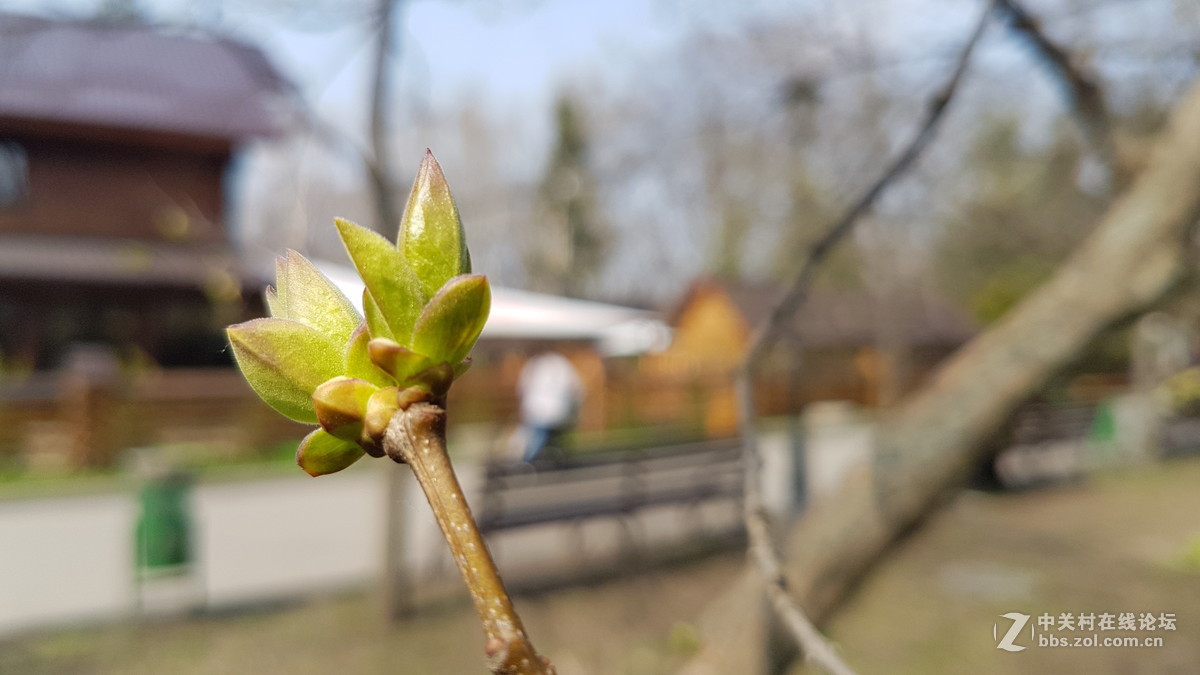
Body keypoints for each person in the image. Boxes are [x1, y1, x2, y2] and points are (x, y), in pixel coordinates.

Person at [517, 350, 583, 463]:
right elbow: (576, 387)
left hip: (537, 410)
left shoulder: (534, 363)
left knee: (535, 436)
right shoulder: (561, 363)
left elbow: (522, 387)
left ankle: (527, 461)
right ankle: (535, 459)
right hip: (555, 410)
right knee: (541, 435)